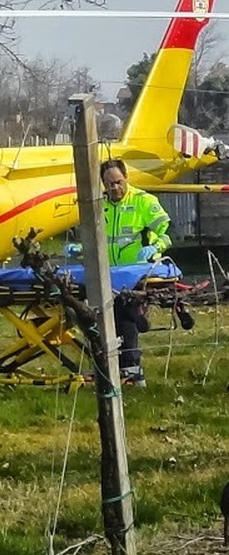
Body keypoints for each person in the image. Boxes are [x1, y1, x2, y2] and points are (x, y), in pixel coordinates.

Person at [100, 158, 172, 387]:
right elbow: (99, 241)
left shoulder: (143, 202)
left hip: (135, 276)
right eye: (109, 184)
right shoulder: (98, 205)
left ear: (126, 178)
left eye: (118, 182)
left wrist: (155, 248)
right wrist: (81, 249)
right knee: (102, 321)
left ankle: (132, 373)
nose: (115, 188)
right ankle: (110, 370)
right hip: (107, 274)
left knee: (125, 319)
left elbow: (168, 233)